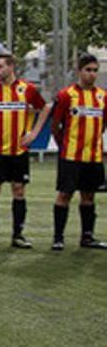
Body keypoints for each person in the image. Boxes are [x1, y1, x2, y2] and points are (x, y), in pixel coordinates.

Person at [0, 53, 48, 249]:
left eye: (0, 66)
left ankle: (18, 235)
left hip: (18, 151)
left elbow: (44, 108)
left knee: (18, 191)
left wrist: (34, 133)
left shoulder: (26, 89)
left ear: (11, 67)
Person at [49, 54, 107, 251]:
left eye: (94, 70)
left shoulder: (102, 96)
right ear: (79, 72)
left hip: (94, 156)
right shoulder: (66, 95)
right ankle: (58, 238)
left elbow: (103, 125)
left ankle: (87, 237)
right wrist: (63, 145)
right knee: (64, 195)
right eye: (87, 70)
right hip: (71, 156)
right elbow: (55, 125)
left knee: (89, 196)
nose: (91, 74)